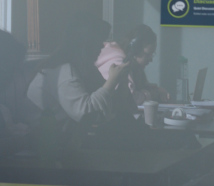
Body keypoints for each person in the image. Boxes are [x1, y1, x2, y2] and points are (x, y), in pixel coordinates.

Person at [27, 15, 130, 143]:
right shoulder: (63, 72)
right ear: (85, 44)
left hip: (66, 140)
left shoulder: (85, 68)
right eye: (98, 41)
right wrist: (111, 81)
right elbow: (86, 115)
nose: (102, 46)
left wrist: (123, 80)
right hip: (46, 145)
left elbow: (111, 105)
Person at [96, 24, 169, 106]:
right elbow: (131, 98)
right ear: (134, 50)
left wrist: (156, 90)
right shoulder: (120, 63)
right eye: (148, 54)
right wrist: (152, 94)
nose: (151, 59)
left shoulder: (127, 60)